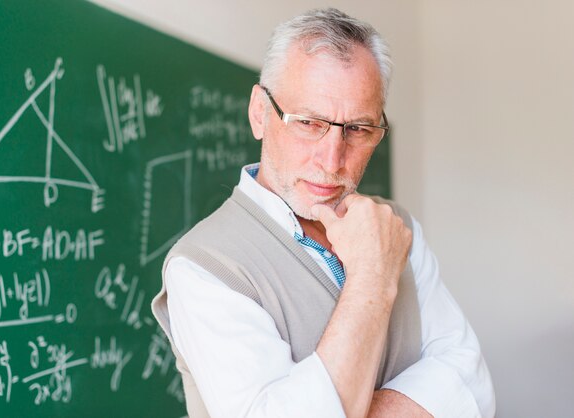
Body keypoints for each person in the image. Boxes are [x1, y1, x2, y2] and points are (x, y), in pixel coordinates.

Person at [152, 8, 495, 418]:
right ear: (260, 112)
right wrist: (371, 279)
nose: (333, 160)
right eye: (310, 123)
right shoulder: (204, 268)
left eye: (358, 129)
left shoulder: (397, 227)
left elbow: (473, 386)